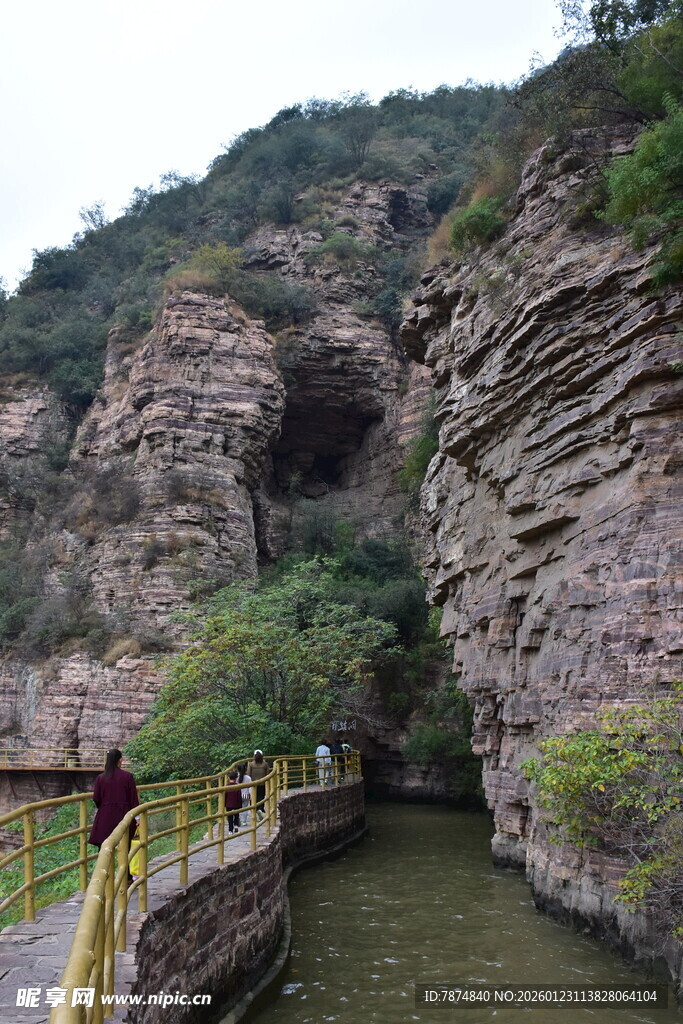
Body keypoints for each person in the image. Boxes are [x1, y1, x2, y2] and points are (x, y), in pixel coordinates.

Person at [88, 748, 139, 849]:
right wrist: (137, 818)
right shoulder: (127, 776)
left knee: (104, 848)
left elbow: (96, 798)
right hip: (124, 815)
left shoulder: (101, 778)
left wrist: (104, 807)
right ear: (119, 760)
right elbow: (133, 799)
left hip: (105, 816)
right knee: (125, 849)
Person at [247, 750, 270, 819]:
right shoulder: (265, 764)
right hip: (262, 783)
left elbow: (248, 774)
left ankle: (254, 810)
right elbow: (267, 774)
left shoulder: (251, 764)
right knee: (261, 797)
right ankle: (260, 809)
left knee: (253, 797)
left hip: (253, 783)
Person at [225, 769, 242, 834]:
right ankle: (236, 825)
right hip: (236, 804)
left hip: (228, 804)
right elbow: (239, 796)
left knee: (230, 817)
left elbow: (225, 796)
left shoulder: (226, 786)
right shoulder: (237, 786)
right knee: (236, 815)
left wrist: (224, 804)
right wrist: (240, 804)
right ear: (236, 778)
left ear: (228, 778)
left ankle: (230, 830)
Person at [237, 762, 251, 826]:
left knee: (238, 808)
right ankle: (244, 821)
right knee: (245, 809)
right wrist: (251, 795)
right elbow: (250, 787)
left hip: (238, 796)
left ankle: (237, 820)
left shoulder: (236, 778)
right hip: (246, 795)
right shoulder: (248, 778)